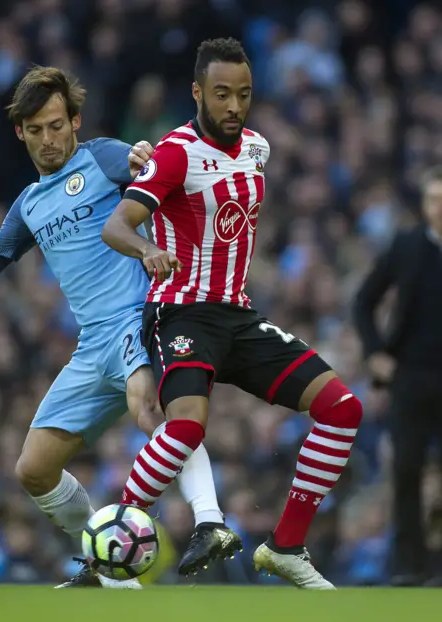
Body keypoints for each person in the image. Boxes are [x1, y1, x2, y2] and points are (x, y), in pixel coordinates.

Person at [0, 66, 241, 588]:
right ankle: (110, 567)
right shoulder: (29, 205)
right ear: (20, 132)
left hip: (136, 321)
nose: (49, 139)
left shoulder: (102, 156)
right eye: (36, 129)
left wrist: (146, 154)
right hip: (91, 344)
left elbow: (155, 166)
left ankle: (209, 521)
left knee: (150, 409)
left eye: (56, 125)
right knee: (33, 469)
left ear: (74, 122)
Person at [101, 38, 364, 590]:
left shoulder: (257, 148)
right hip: (181, 313)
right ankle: (115, 544)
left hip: (238, 317)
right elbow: (116, 225)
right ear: (198, 92)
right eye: (221, 94)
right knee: (188, 425)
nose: (233, 106)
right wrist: (148, 249)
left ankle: (287, 547)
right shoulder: (174, 152)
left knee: (342, 409)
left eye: (243, 94)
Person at [354, 165, 442, 587]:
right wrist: (375, 354)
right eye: (433, 201)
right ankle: (411, 566)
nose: (439, 210)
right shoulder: (407, 247)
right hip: (410, 376)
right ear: (424, 205)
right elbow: (364, 300)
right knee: (406, 470)